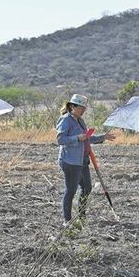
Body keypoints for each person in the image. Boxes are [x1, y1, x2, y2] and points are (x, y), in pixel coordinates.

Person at [55, 94, 115, 226]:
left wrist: (102, 137)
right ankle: (67, 220)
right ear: (72, 106)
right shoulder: (65, 120)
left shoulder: (80, 121)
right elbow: (60, 140)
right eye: (81, 107)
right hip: (70, 161)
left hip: (82, 160)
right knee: (71, 190)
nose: (83, 110)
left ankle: (82, 216)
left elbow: (87, 138)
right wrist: (77, 138)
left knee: (87, 188)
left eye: (84, 108)